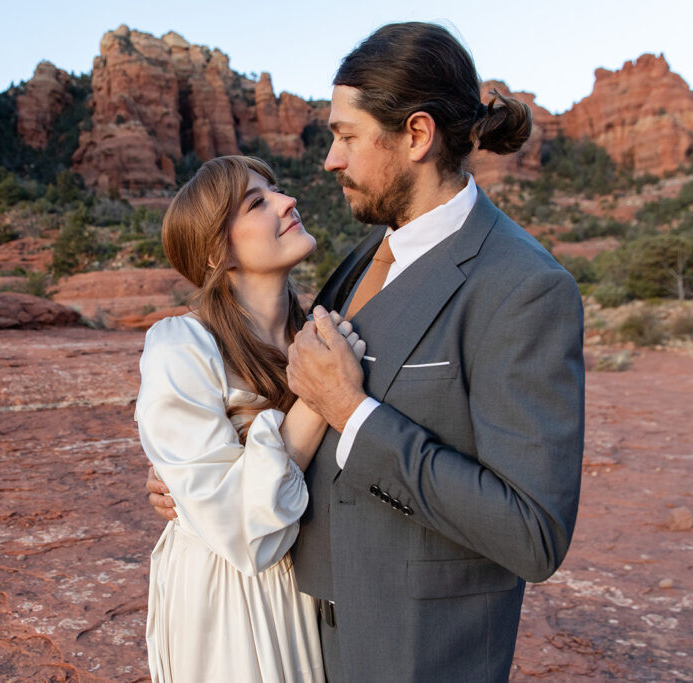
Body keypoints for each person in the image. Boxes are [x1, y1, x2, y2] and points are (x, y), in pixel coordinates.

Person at [150, 22, 584, 682]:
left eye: (346, 136)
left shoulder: (524, 286)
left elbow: (533, 531)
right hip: (296, 639)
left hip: (418, 654)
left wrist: (354, 413)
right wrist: (200, 488)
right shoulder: (355, 265)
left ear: (415, 135)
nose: (329, 160)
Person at [136, 155, 365, 683]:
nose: (288, 203)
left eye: (277, 190)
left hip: (316, 583)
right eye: (257, 203)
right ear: (217, 250)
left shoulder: (323, 328)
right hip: (228, 595)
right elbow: (241, 529)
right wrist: (320, 395)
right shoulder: (181, 347)